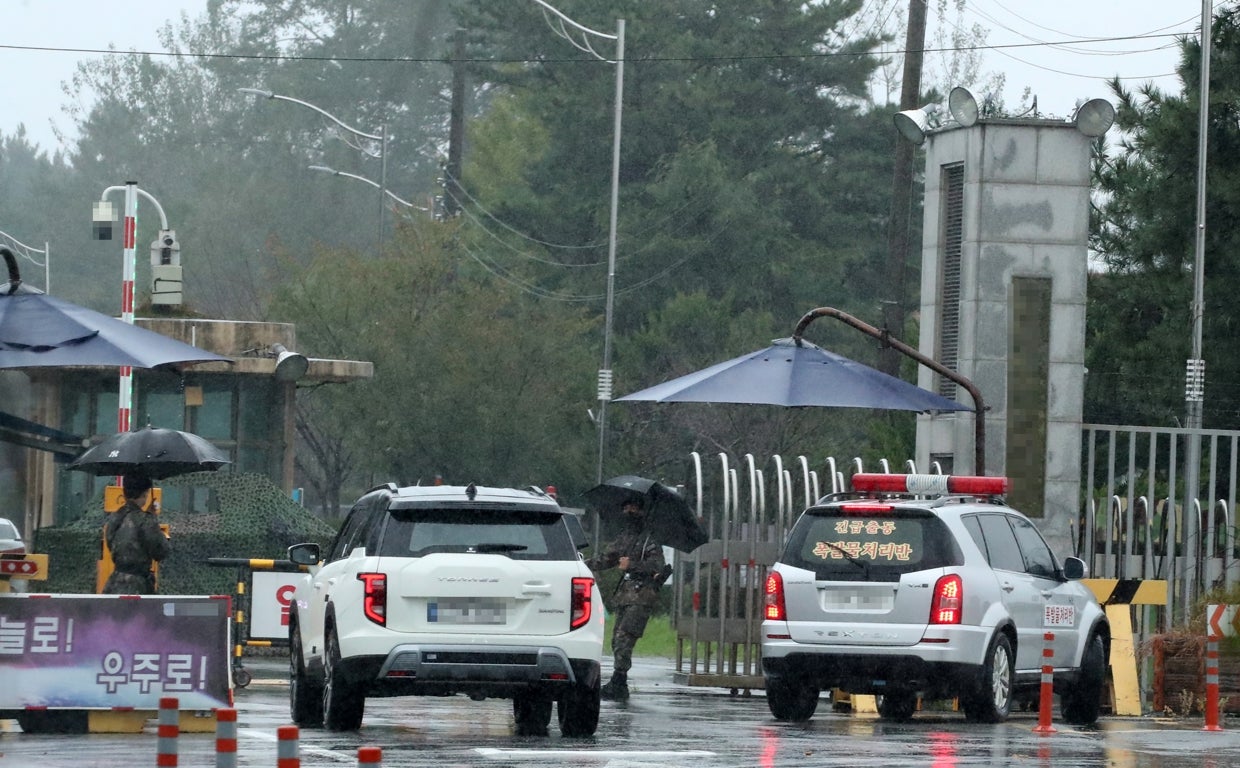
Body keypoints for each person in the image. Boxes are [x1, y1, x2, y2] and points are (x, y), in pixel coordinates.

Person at [588, 497, 671, 701]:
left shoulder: (650, 540)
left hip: (642, 596)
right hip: (625, 596)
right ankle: (619, 680)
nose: (628, 511)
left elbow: (657, 566)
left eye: (632, 507)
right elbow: (606, 559)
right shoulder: (625, 537)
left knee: (625, 638)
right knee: (617, 638)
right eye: (625, 507)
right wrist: (580, 564)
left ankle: (620, 681)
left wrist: (632, 564)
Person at [102, 474, 170, 595]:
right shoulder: (145, 520)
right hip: (138, 587)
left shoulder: (115, 516)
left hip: (114, 584)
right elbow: (161, 552)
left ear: (125, 492)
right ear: (145, 494)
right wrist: (152, 519)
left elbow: (111, 543)